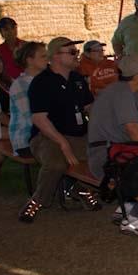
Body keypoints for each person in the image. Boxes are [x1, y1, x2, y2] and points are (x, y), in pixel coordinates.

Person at [18, 37, 99, 223]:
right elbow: (39, 119)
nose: (76, 55)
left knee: (103, 156)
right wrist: (63, 143)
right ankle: (37, 201)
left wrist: (99, 129)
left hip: (78, 134)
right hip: (47, 137)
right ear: (55, 56)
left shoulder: (77, 79)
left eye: (76, 51)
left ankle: (81, 188)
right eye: (72, 52)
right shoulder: (41, 83)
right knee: (56, 164)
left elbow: (89, 107)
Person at [87, 54, 138, 238]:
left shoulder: (128, 91)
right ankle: (135, 219)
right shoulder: (121, 93)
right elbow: (133, 130)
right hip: (106, 157)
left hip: (115, 153)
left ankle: (129, 207)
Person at [8, 41, 48, 160]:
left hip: (42, 134)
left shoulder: (43, 81)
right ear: (30, 60)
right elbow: (31, 115)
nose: (47, 59)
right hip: (26, 140)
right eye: (43, 56)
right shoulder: (20, 85)